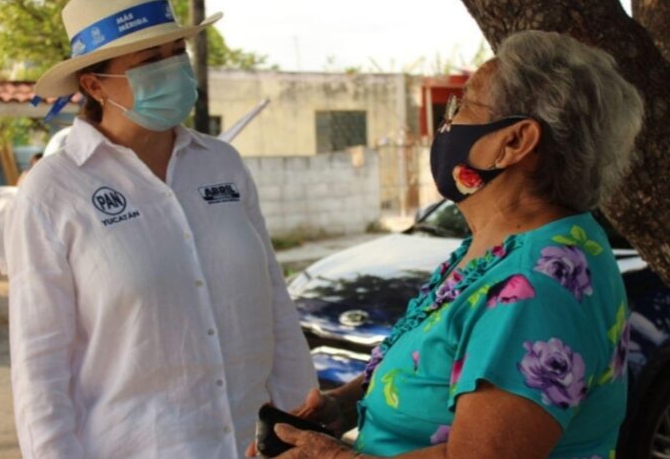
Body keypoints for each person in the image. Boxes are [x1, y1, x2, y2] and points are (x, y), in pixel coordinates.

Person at [250, 31, 643, 459]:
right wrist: (346, 405)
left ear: (513, 142)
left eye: (462, 106)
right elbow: (439, 362)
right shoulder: (502, 247)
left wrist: (329, 456)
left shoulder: (535, 283)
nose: (448, 122)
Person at [6, 0, 316, 458]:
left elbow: (273, 302)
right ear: (94, 84)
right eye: (150, 61)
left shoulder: (222, 163)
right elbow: (39, 369)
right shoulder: (53, 191)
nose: (172, 69)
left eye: (176, 53)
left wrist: (305, 427)